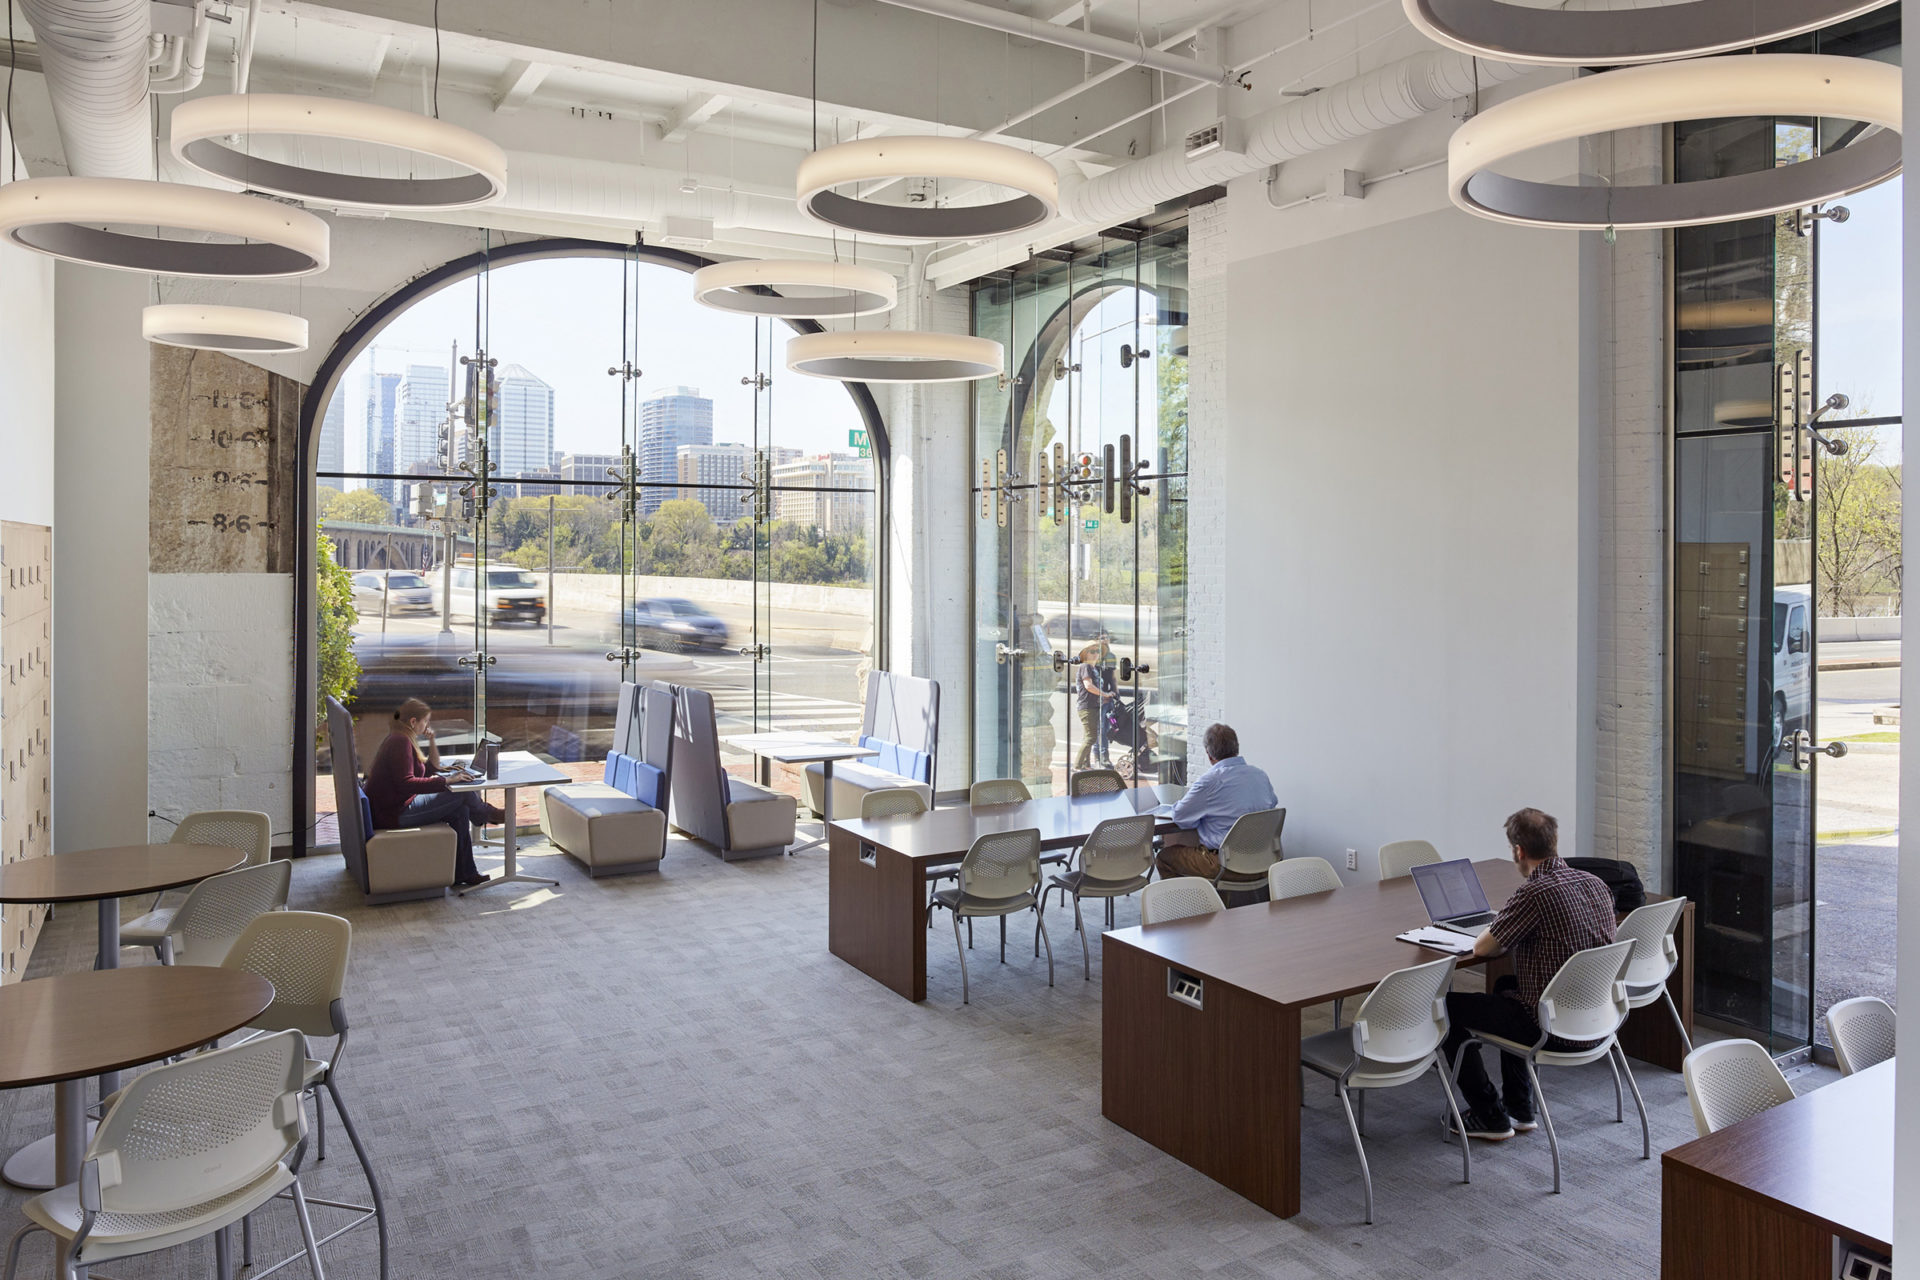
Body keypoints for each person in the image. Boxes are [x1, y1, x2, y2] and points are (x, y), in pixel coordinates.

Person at [1441, 808, 1618, 1141]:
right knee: (1507, 986)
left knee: (1443, 1007)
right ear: (1554, 842)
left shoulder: (1535, 893)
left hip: (1554, 1028)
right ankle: (1519, 1108)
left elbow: (1482, 949)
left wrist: (1497, 924)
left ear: (1519, 851)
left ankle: (1489, 1115)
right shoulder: (1594, 883)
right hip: (1597, 1019)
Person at [362, 697, 505, 888]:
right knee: (460, 793)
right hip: (394, 813)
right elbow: (407, 784)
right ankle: (486, 814)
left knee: (460, 810)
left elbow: (430, 768)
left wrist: (432, 740)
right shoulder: (400, 742)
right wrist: (446, 780)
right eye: (425, 721)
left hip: (396, 806)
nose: (427, 725)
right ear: (413, 721)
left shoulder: (404, 738)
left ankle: (465, 873)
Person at [1157, 723, 1278, 879]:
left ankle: (1191, 902)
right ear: (1237, 748)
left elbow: (1180, 816)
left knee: (1165, 858)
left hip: (1226, 865)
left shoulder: (1210, 782)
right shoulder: (1260, 775)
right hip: (1264, 861)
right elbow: (1271, 806)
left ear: (1208, 754)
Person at [1073, 635, 1116, 771]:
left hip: (1093, 706)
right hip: (1087, 707)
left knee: (1089, 735)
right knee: (1091, 737)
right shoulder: (1085, 666)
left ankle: (1085, 764)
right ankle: (1078, 766)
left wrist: (1106, 696)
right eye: (1092, 651)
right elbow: (1088, 686)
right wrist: (1105, 694)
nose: (1095, 654)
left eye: (1097, 651)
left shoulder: (1093, 668)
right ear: (1085, 654)